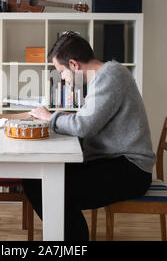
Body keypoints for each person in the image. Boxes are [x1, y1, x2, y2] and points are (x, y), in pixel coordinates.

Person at [25, 31, 156, 241]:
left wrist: (50, 117)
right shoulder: (104, 76)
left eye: (62, 71)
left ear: (74, 65)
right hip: (112, 161)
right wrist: (62, 118)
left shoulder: (110, 76)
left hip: (130, 169)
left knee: (50, 189)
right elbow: (90, 119)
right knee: (36, 180)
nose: (62, 78)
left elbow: (83, 127)